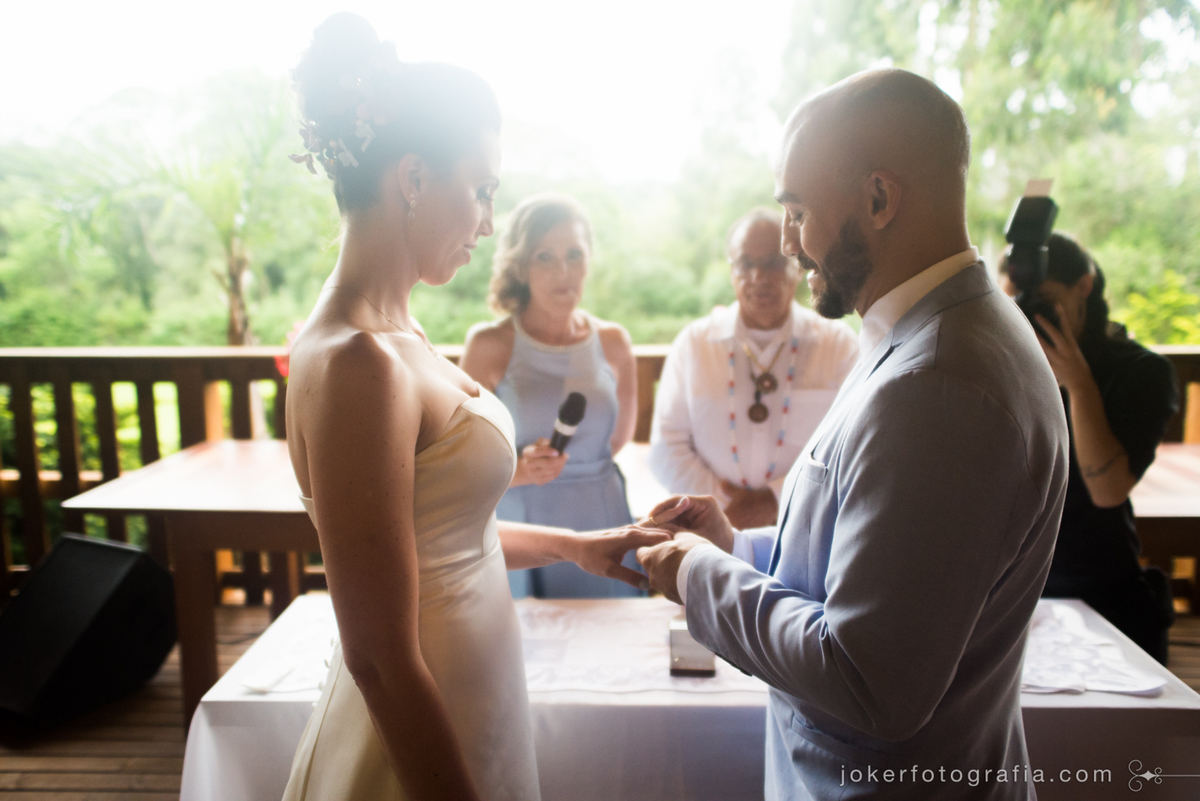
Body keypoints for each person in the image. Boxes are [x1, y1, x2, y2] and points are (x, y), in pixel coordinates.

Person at [638, 69, 1069, 800]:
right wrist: (736, 548)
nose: (788, 244)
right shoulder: (926, 331)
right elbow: (867, 556)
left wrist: (694, 574)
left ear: (878, 198)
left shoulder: (940, 384)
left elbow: (871, 679)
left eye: (798, 209)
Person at [280, 15, 666, 801]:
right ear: (414, 177)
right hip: (420, 739)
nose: (489, 220)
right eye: (481, 188)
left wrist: (575, 544)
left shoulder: (406, 331)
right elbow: (380, 656)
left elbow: (443, 539)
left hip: (476, 697)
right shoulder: (357, 361)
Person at [1000, 233, 1179, 664]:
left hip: (1099, 584)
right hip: (1016, 590)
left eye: (1041, 300)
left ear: (1084, 285)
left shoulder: (1141, 372)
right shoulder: (1007, 362)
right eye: (1013, 303)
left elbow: (1109, 490)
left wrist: (1078, 383)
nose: (1028, 315)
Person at [461, 194, 640, 598]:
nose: (563, 271)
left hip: (602, 513)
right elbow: (458, 461)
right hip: (523, 523)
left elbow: (616, 438)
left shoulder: (614, 343)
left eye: (574, 254)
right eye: (545, 257)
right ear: (520, 266)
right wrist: (520, 470)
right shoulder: (489, 345)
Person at [649, 208, 858, 529]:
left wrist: (775, 499)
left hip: (807, 523)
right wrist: (720, 507)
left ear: (798, 267)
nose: (759, 277)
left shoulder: (838, 345)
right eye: (746, 264)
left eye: (774, 262)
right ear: (732, 271)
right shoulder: (694, 343)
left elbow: (849, 448)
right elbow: (666, 447)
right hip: (711, 530)